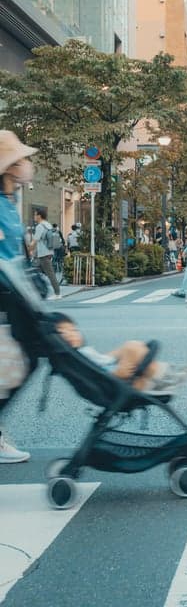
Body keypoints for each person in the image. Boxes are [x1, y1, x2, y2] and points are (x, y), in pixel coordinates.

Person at [0, 130, 37, 463]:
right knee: (15, 366)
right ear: (10, 167)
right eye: (22, 159)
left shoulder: (9, 203)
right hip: (4, 298)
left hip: (13, 298)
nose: (28, 164)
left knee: (21, 363)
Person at [50, 313, 187, 393]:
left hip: (110, 372)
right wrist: (117, 372)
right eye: (63, 332)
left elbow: (103, 359)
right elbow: (96, 371)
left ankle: (164, 376)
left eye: (73, 330)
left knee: (132, 346)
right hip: (115, 379)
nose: (71, 334)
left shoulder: (79, 353)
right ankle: (165, 376)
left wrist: (120, 353)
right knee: (132, 347)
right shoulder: (76, 356)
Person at [31, 208, 61, 299]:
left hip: (43, 254)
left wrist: (28, 250)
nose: (34, 216)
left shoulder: (40, 226)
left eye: (35, 215)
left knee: (50, 274)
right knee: (33, 271)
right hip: (48, 252)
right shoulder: (48, 225)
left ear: (39, 216)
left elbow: (34, 241)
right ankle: (38, 291)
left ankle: (57, 293)